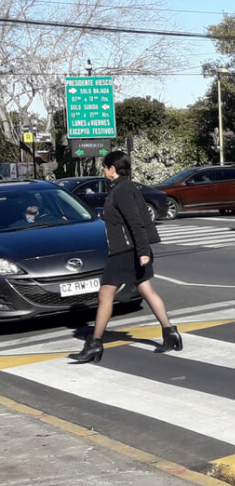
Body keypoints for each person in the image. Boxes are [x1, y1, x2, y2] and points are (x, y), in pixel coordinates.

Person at [70, 151, 180, 364]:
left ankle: (94, 343)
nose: (103, 171)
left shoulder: (121, 191)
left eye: (105, 167)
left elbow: (135, 222)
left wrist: (142, 252)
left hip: (126, 251)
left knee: (105, 295)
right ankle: (170, 333)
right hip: (133, 250)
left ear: (112, 169)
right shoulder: (127, 187)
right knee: (146, 290)